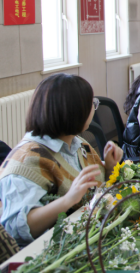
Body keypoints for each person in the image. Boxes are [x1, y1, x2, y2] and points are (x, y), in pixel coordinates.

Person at [0, 74, 123, 247]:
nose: (93, 110)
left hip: (89, 238)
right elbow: (17, 230)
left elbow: (97, 190)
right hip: (50, 252)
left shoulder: (77, 142)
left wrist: (110, 167)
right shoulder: (25, 161)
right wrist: (68, 200)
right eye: (91, 104)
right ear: (74, 112)